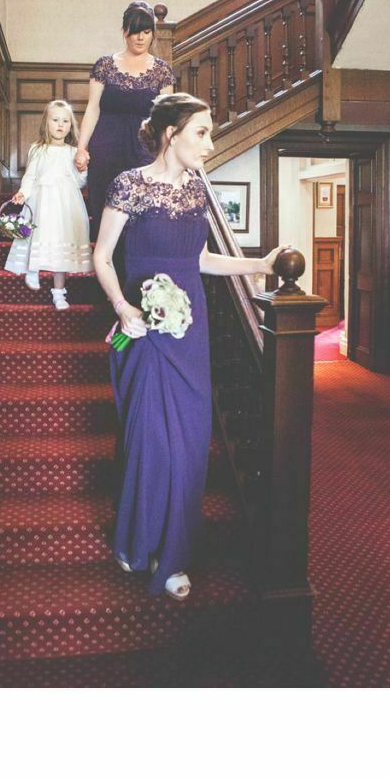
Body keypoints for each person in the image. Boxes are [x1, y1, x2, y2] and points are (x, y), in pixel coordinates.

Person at [92, 93, 289, 600]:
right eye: (201, 132)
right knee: (152, 441)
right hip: (143, 330)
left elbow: (199, 260)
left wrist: (258, 266)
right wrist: (122, 307)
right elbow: (103, 256)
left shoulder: (199, 190)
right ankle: (141, 541)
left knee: (190, 443)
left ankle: (174, 555)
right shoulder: (129, 185)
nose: (209, 142)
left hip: (191, 331)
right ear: (170, 134)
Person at [75, 1, 176, 239]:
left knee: (141, 214)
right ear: (124, 32)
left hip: (144, 149)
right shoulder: (104, 65)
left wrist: (167, 154)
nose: (140, 38)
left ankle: (134, 275)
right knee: (106, 209)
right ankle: (106, 271)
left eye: (146, 31)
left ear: (152, 34)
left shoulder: (162, 71)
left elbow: (167, 117)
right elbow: (92, 109)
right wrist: (81, 148)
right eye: (134, 31)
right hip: (106, 146)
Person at [6, 99, 92, 309]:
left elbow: (80, 183)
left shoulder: (73, 152)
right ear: (46, 123)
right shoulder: (38, 149)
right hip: (41, 201)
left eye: (65, 121)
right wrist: (23, 194)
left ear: (71, 126)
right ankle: (32, 269)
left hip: (66, 205)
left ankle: (59, 293)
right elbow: (30, 177)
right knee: (37, 235)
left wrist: (83, 170)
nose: (61, 125)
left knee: (61, 244)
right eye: (55, 120)